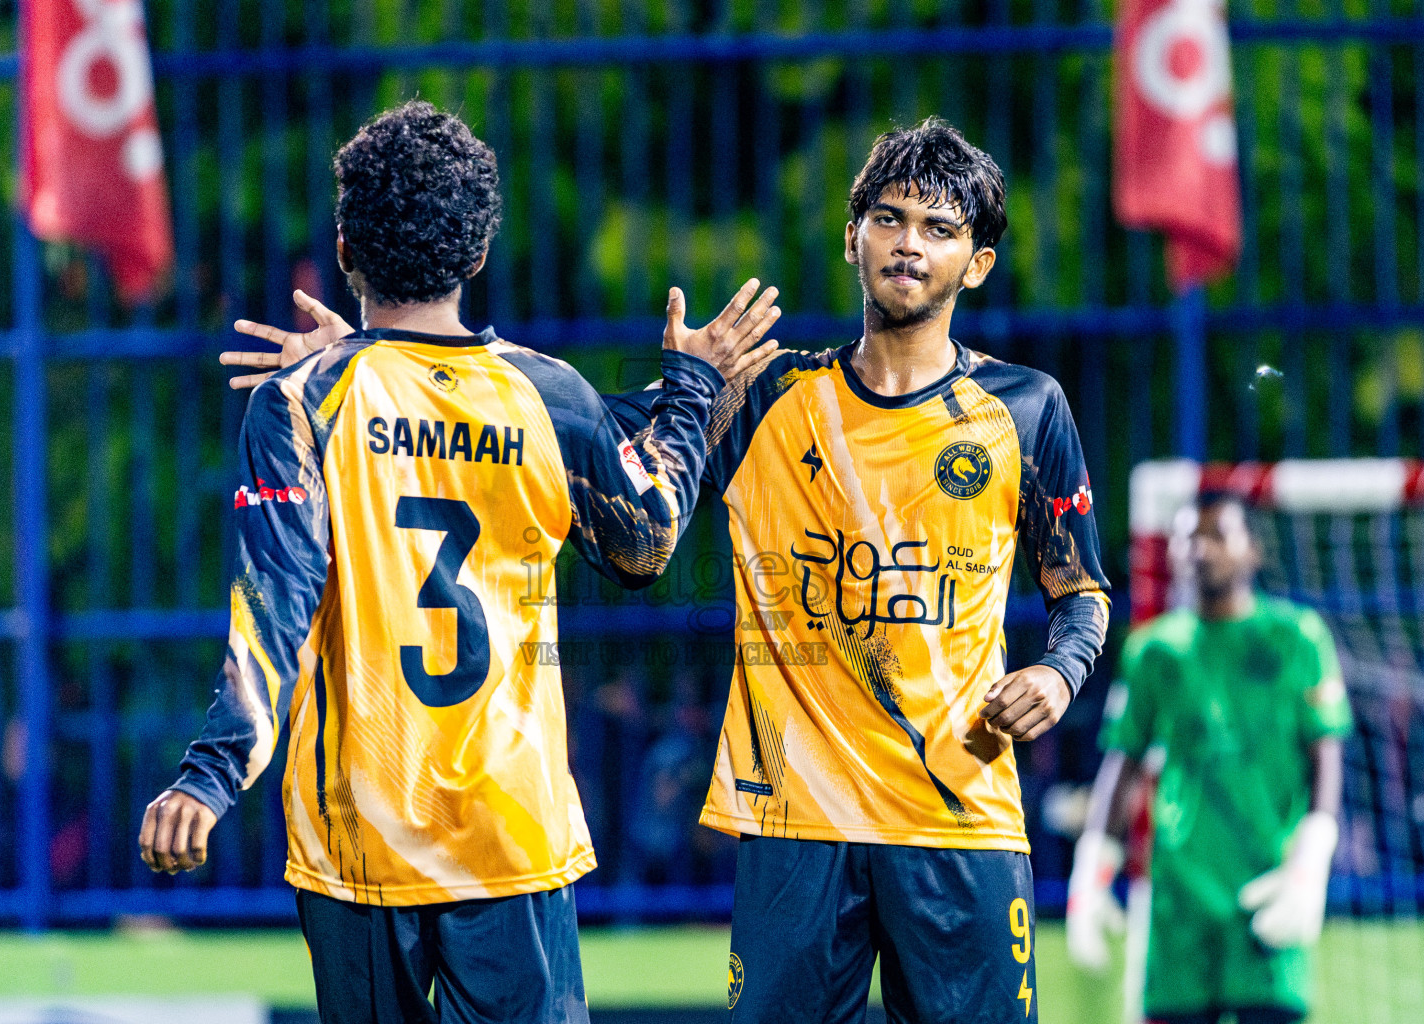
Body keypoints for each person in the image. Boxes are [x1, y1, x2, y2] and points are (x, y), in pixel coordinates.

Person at [233, 117, 1110, 1023]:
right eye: (889, 219)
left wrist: (1056, 669)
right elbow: (580, 442)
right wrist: (387, 369)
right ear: (853, 237)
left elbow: (1081, 592)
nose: (909, 245)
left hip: (959, 815)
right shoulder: (767, 397)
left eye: (940, 229)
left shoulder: (1025, 410)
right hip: (795, 829)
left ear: (979, 264)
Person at [137, 99, 780, 1024]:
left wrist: (210, 772)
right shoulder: (542, 393)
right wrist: (692, 390)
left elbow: (275, 609)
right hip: (511, 835)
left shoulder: (301, 403)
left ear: (348, 249)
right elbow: (643, 537)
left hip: (360, 843)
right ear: (478, 253)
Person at [1066, 492, 1350, 1024]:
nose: (1201, 549)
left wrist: (1312, 862)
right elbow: (1122, 764)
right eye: (1188, 537)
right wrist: (1092, 871)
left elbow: (1326, 758)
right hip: (1180, 898)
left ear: (1253, 550)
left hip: (1269, 885)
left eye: (1217, 534)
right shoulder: (1154, 649)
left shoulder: (1297, 638)